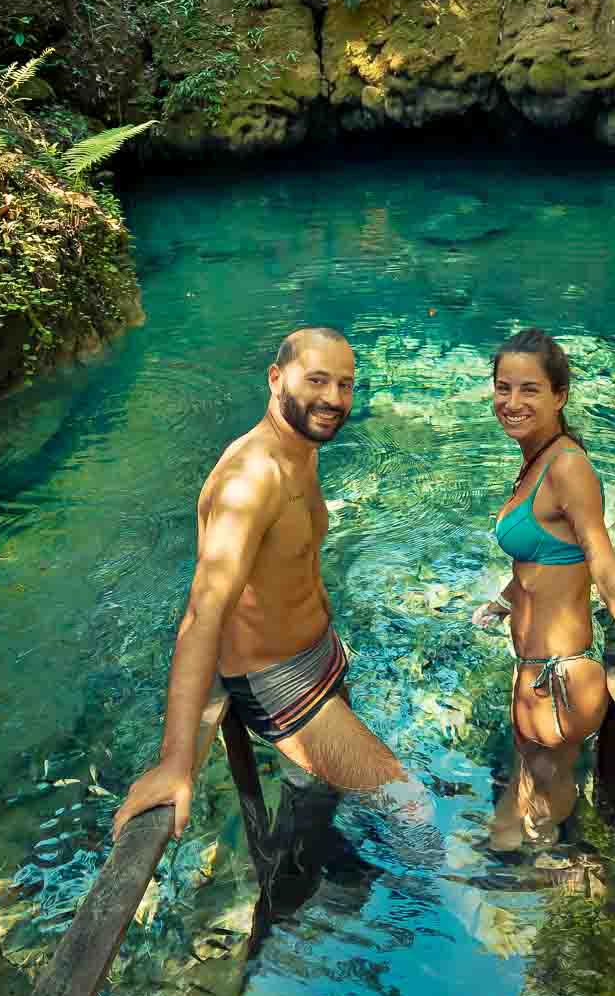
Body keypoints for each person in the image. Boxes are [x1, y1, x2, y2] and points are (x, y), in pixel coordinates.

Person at [112, 327, 408, 842]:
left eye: (345, 384)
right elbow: (204, 615)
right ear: (276, 379)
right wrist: (175, 764)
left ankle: (316, 884)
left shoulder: (301, 446)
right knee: (412, 811)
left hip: (321, 656)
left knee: (319, 797)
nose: (335, 399)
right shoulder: (250, 481)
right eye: (317, 380)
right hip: (278, 684)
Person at [472, 328, 615, 849]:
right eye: (503, 387)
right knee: (523, 784)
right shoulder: (535, 459)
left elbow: (611, 581)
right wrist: (505, 601)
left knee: (542, 809)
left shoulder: (568, 468)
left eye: (529, 390)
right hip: (534, 669)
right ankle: (520, 852)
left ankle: (556, 867)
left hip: (562, 678)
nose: (512, 402)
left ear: (560, 396)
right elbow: (544, 556)